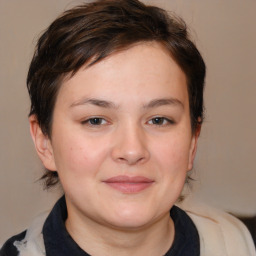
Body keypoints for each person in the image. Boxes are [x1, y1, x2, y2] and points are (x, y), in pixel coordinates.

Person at [0, 0, 255, 255]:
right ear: (44, 141)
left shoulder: (241, 246)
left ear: (192, 140)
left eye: (158, 120)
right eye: (95, 120)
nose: (132, 151)